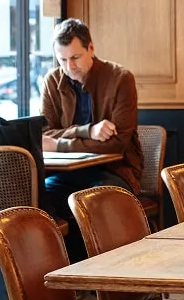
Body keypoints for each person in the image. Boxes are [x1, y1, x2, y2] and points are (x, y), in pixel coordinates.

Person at [40, 18, 143, 261]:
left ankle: (110, 279)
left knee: (98, 200)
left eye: (75, 58)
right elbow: (44, 135)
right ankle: (66, 277)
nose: (69, 66)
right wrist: (87, 131)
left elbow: (116, 143)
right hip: (67, 173)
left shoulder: (120, 79)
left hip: (115, 169)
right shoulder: (52, 81)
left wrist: (61, 144)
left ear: (91, 49)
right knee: (41, 198)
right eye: (62, 59)